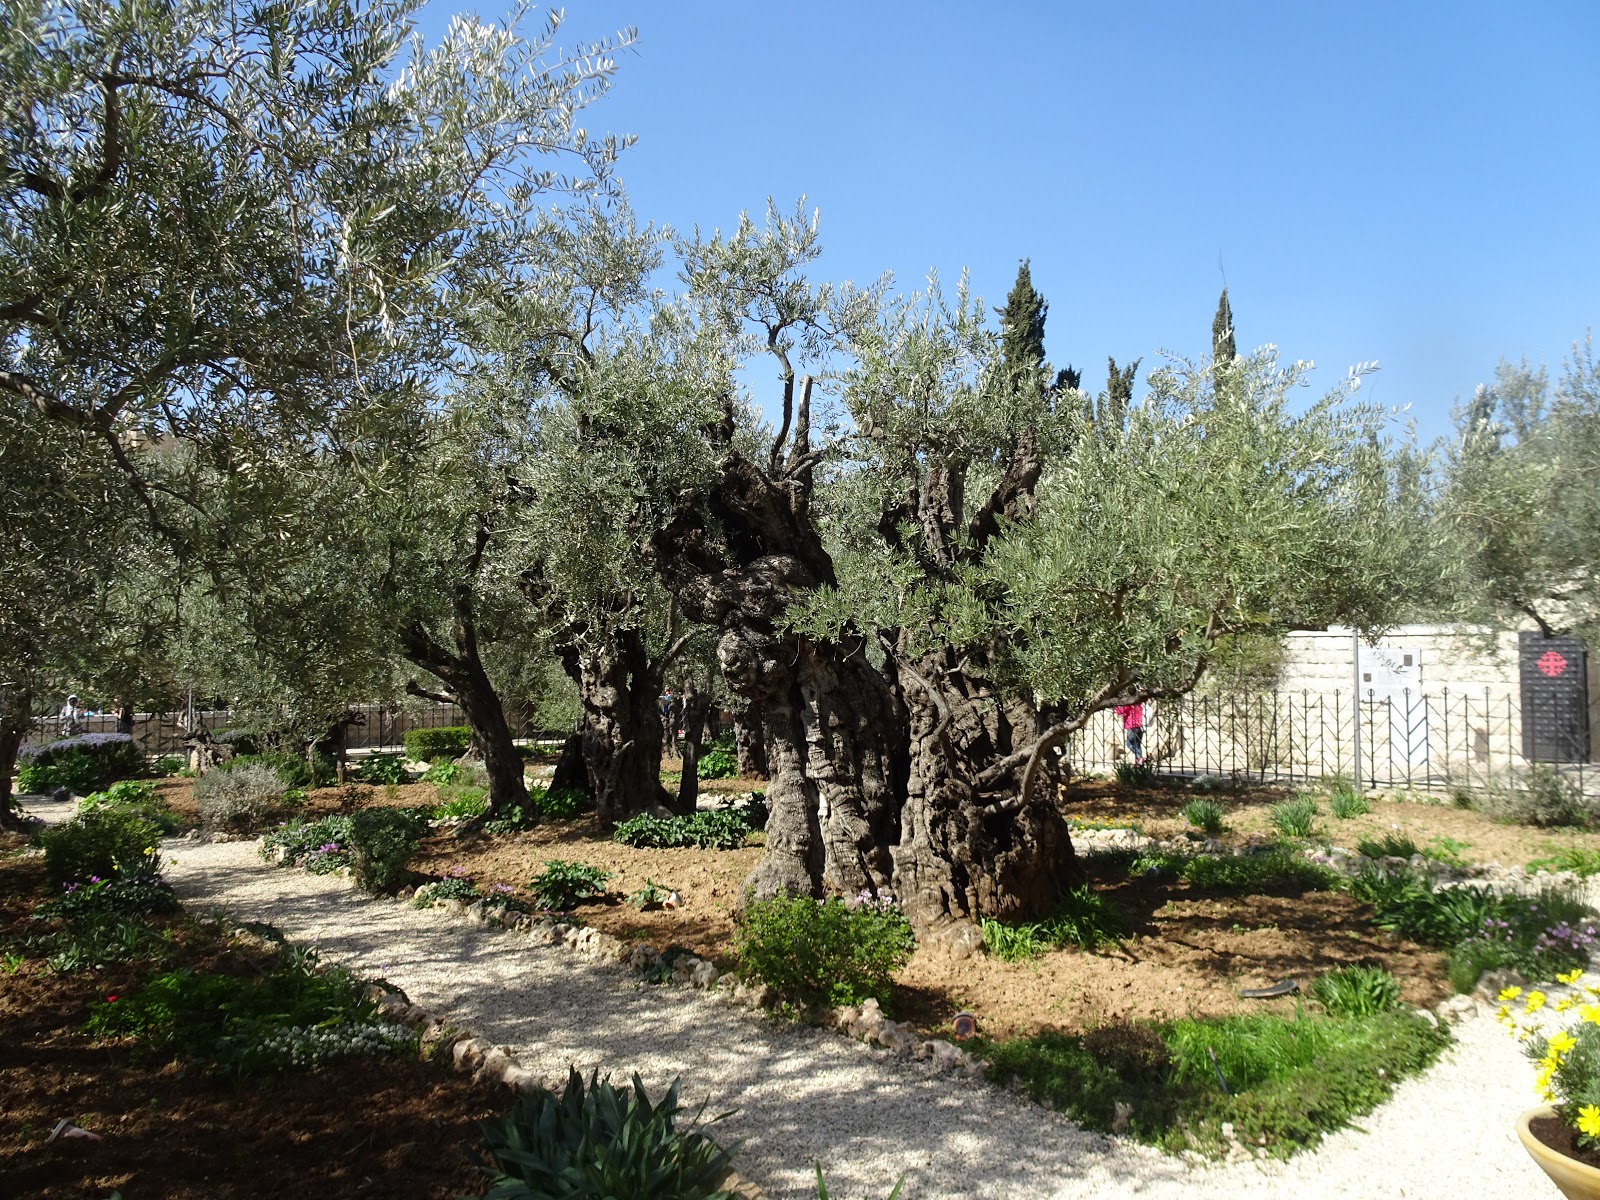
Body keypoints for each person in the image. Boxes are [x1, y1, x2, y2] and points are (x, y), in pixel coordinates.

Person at [1114, 700, 1145, 765]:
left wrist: (1115, 706)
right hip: (1139, 726)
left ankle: (1139, 757)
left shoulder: (1130, 703)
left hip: (1132, 726)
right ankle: (1139, 763)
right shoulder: (1139, 704)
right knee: (1137, 745)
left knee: (1129, 744)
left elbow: (1121, 711)